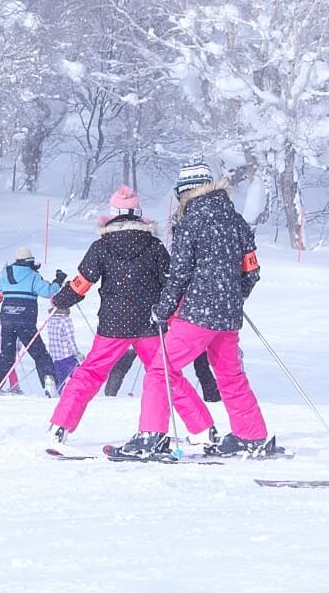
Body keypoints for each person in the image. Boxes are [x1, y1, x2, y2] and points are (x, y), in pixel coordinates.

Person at [118, 161, 278, 460]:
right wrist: (232, 297)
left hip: (197, 314)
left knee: (160, 370)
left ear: (186, 193)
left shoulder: (190, 223)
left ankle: (150, 437)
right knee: (231, 375)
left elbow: (179, 275)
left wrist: (163, 310)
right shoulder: (238, 221)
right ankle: (251, 435)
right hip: (228, 316)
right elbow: (252, 272)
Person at [48, 185, 215, 444]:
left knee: (90, 373)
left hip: (113, 325)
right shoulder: (154, 246)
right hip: (149, 323)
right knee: (166, 375)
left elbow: (82, 282)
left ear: (112, 213)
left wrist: (61, 300)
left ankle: (61, 425)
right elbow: (171, 282)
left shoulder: (102, 246)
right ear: (139, 213)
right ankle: (203, 429)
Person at [0, 247, 58, 397]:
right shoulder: (33, 276)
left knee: (7, 355)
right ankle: (49, 379)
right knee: (39, 354)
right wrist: (58, 282)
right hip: (26, 320)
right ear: (30, 261)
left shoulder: (5, 274)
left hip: (6, 318)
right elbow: (48, 292)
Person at [43, 299, 81, 392]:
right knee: (79, 376)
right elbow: (70, 338)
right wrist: (77, 353)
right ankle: (80, 392)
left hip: (56, 356)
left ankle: (58, 393)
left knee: (60, 380)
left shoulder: (50, 319)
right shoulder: (65, 320)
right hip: (67, 356)